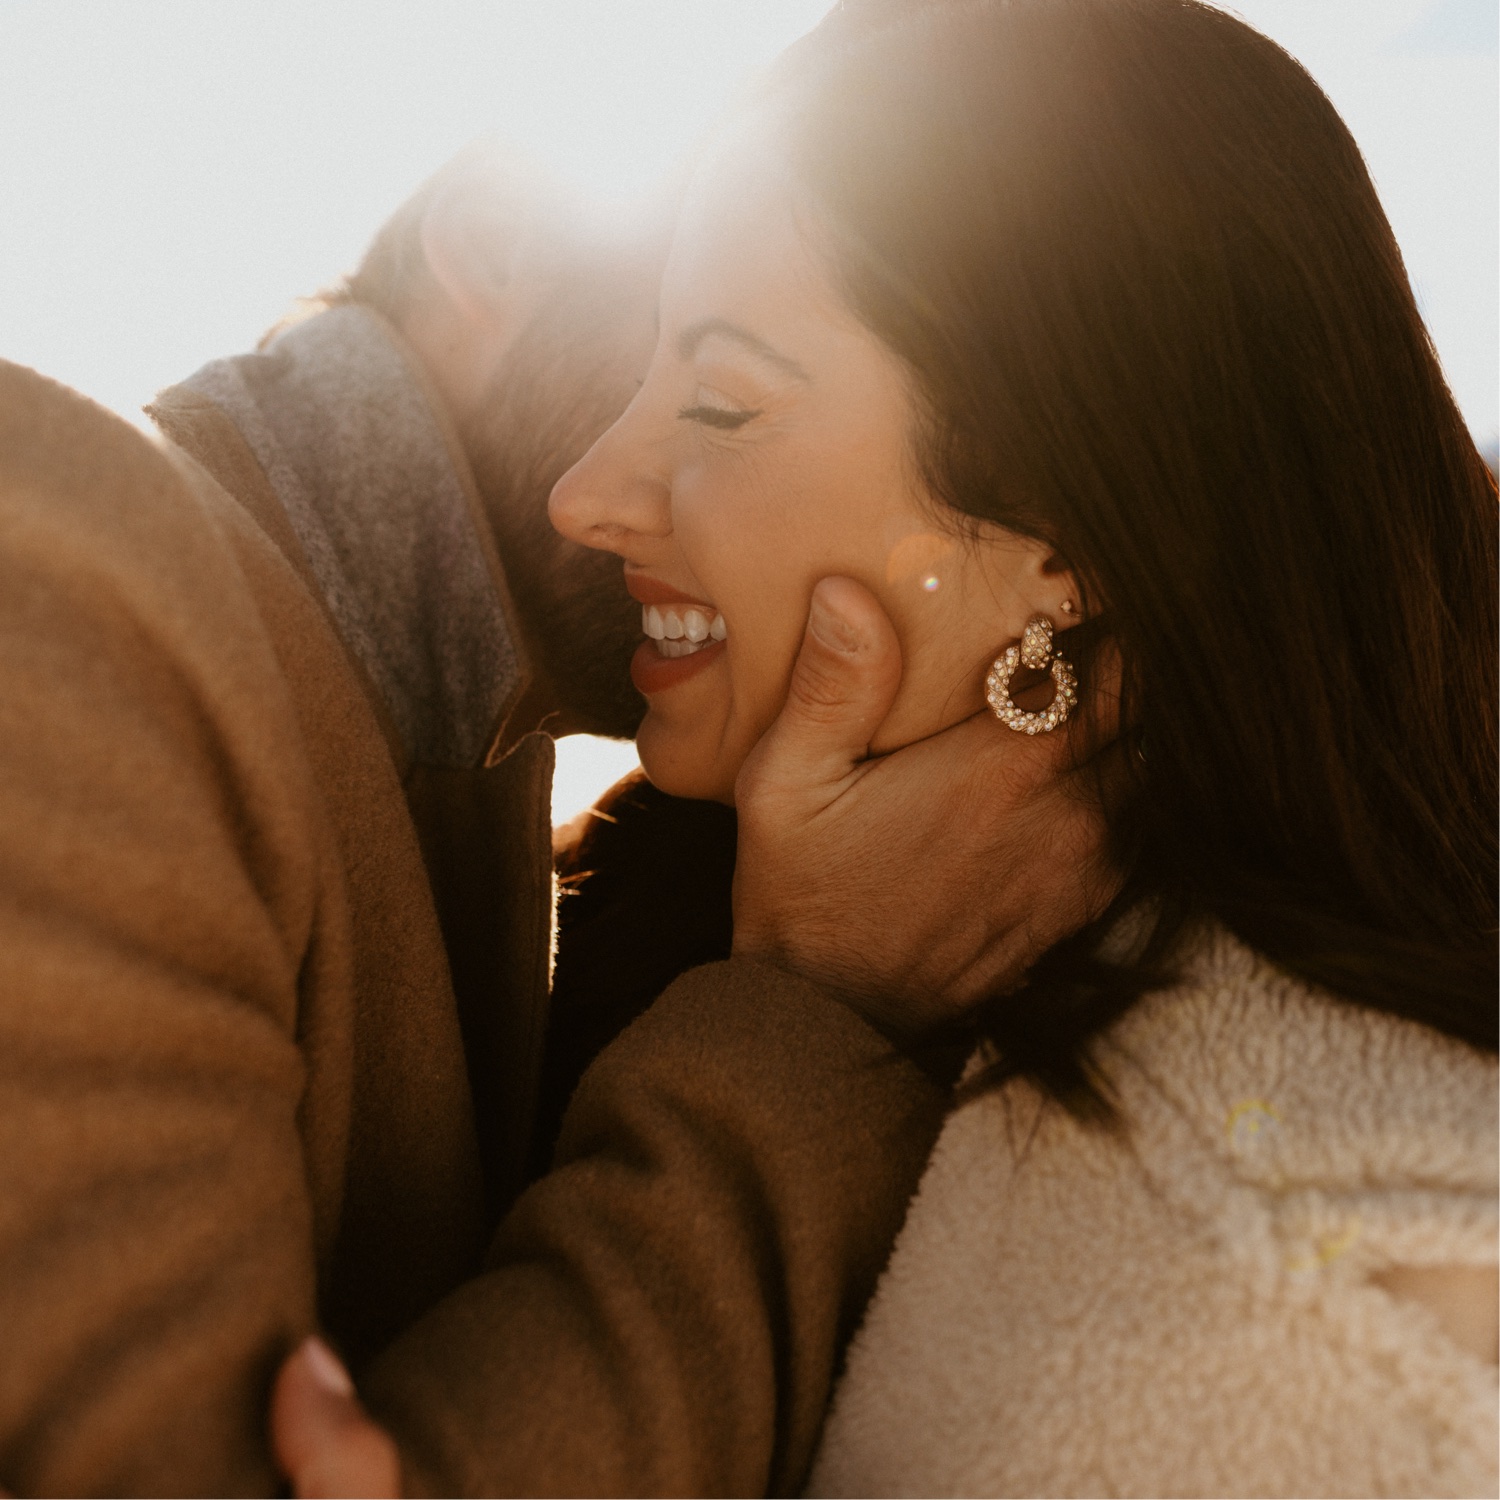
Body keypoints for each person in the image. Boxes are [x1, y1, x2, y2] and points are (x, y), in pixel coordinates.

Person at [272, 2, 1494, 1496]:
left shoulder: (1298, 1293)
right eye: (637, 376)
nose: (585, 495)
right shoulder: (693, 920)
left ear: (1077, 534)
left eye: (721, 400)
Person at [0, 134, 1112, 1494]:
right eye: (687, 351)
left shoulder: (477, 782)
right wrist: (812, 1016)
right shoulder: (57, 563)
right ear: (497, 238)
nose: (609, 483)